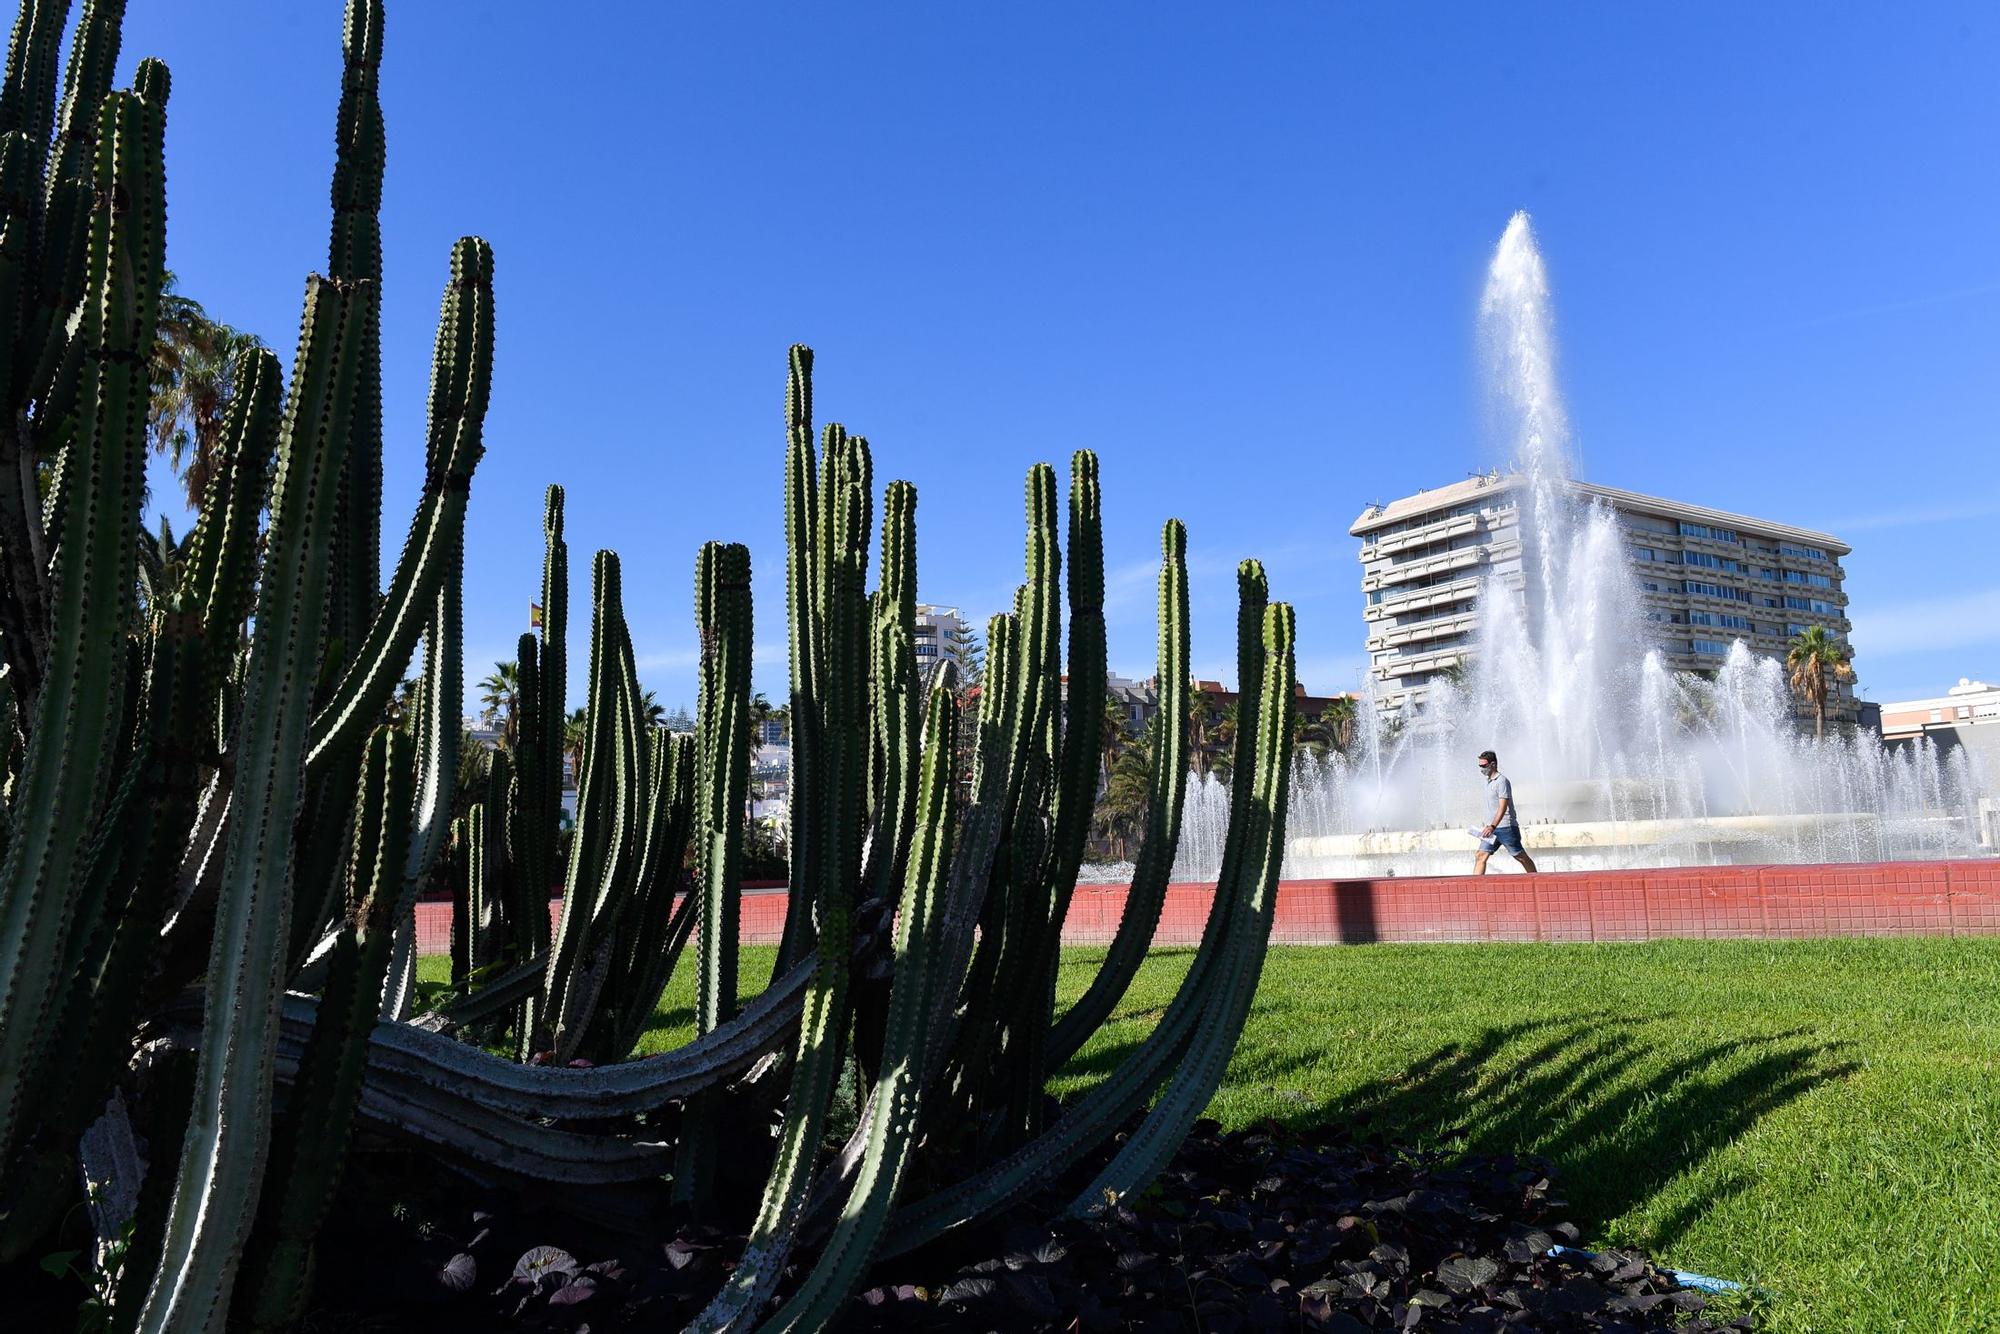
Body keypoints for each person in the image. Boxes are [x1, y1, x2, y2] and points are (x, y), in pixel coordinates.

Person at [1474, 750, 1537, 875]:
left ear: (1493, 764)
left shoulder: (1502, 781)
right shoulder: (1488, 782)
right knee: (1481, 855)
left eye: (1484, 766)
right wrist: (1490, 826)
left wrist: (1493, 826)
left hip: (1505, 827)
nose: (1481, 769)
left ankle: (1536, 879)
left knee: (1520, 856)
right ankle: (1475, 888)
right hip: (1491, 829)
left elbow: (1503, 807)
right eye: (1479, 766)